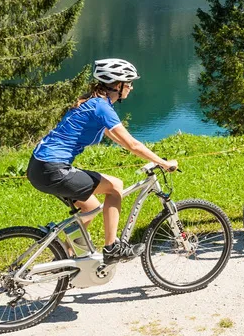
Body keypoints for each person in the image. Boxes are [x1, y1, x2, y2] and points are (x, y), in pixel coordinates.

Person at [26, 58, 177, 264]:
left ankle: (69, 258)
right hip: (53, 169)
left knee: (91, 207)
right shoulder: (101, 107)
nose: (131, 87)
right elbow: (132, 144)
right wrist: (163, 162)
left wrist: (148, 156)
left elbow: (117, 138)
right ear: (117, 85)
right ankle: (112, 248)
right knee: (115, 186)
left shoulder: (92, 102)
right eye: (129, 83)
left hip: (39, 167)